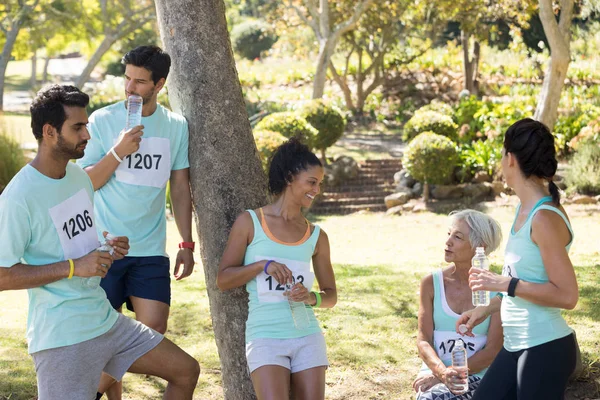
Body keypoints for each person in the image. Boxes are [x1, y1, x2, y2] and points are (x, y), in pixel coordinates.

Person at [0, 85, 199, 400]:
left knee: (186, 371)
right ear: (49, 132)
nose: (87, 135)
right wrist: (73, 268)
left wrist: (107, 244)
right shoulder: (18, 197)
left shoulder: (78, 177)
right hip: (62, 336)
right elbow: (3, 274)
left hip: (104, 320)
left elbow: (74, 238)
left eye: (86, 125)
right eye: (78, 127)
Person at [76, 45, 194, 398]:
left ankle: (85, 393)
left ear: (159, 84)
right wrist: (118, 151)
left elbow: (180, 185)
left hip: (150, 248)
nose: (130, 87)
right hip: (104, 248)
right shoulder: (102, 120)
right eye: (127, 78)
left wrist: (186, 243)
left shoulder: (175, 126)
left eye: (140, 82)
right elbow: (87, 182)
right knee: (101, 338)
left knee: (154, 329)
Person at [457, 118, 578, 400]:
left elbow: (567, 295)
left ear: (511, 159)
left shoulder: (544, 218)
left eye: (502, 154)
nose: (501, 161)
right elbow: (530, 284)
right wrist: (486, 310)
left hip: (544, 348)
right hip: (517, 346)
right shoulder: (524, 210)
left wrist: (504, 283)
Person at [216, 137, 337, 400]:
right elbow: (223, 280)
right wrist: (263, 265)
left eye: (319, 184)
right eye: (312, 182)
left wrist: (310, 297)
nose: (316, 190)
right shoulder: (250, 222)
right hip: (265, 337)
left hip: (307, 336)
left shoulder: (317, 236)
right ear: (290, 177)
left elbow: (331, 296)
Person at [414, 209, 504, 400]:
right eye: (449, 234)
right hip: (433, 374)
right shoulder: (430, 283)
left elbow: (493, 351)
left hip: (478, 376)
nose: (448, 242)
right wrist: (441, 373)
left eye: (458, 237)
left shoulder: (498, 289)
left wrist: (448, 375)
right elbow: (423, 340)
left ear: (479, 246)